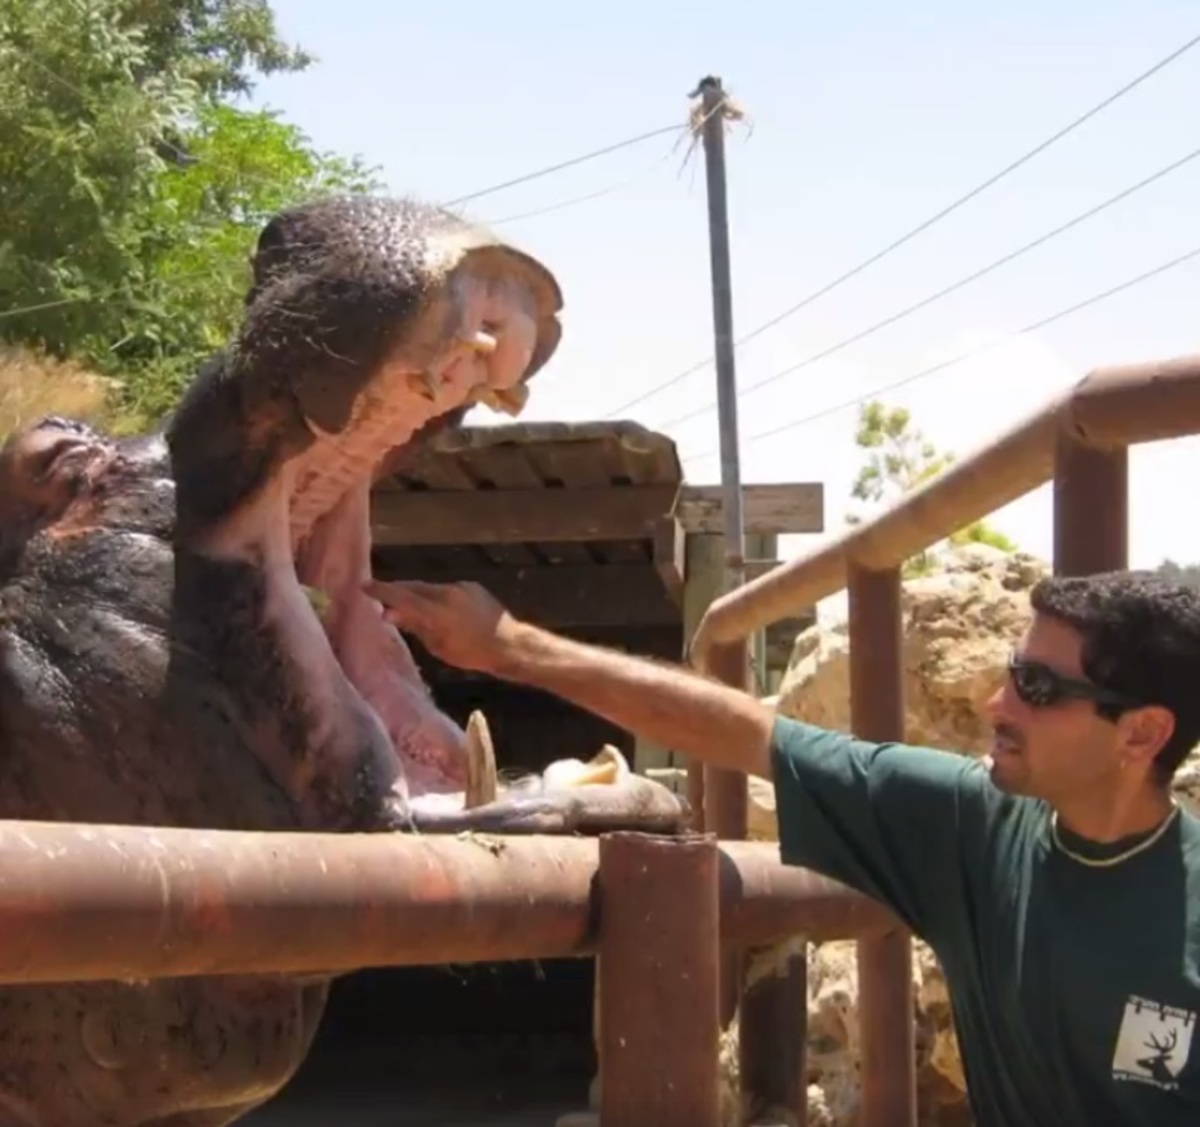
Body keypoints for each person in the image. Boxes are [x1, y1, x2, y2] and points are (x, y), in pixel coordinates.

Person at [364, 567, 1200, 1126]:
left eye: (1039, 688)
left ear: (1144, 733)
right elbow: (740, 729)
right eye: (1013, 670)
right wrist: (509, 645)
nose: (995, 703)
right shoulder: (970, 827)